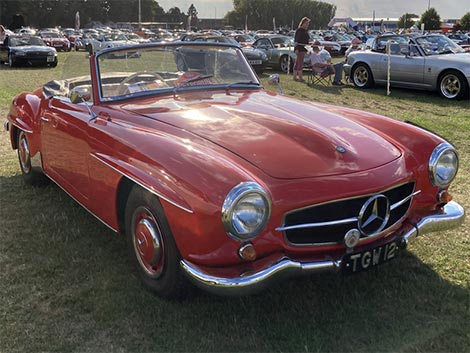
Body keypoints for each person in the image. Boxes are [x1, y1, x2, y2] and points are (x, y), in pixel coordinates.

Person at [293, 17, 310, 82]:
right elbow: (296, 40)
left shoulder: (305, 31)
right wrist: (296, 48)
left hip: (303, 48)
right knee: (300, 63)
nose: (307, 25)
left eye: (308, 23)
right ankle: (300, 77)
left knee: (298, 63)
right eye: (306, 23)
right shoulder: (299, 30)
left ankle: (295, 77)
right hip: (300, 48)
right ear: (302, 23)